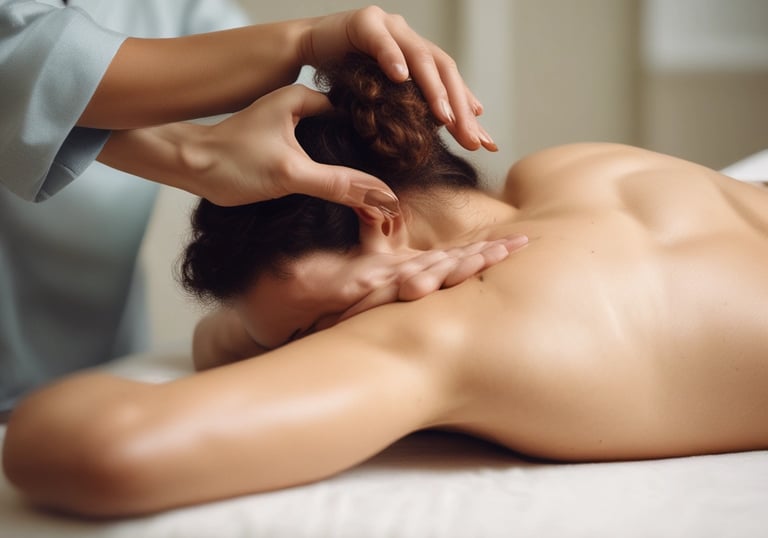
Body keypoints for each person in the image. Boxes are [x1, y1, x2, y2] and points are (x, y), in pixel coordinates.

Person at [4, 53, 768, 518]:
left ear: (378, 218)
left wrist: (308, 333)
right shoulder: (584, 167)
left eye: (311, 330)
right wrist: (258, 328)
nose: (325, 343)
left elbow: (91, 448)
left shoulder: (452, 327)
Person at [0, 1, 514, 418]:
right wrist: (304, 42)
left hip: (95, 354)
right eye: (304, 337)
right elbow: (23, 59)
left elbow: (298, 111)